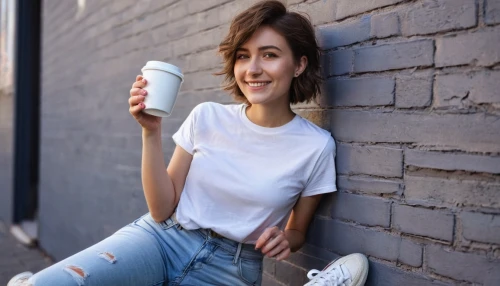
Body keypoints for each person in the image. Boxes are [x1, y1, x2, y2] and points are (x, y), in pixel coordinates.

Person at [8, 1, 369, 285]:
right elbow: (162, 208)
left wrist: (285, 240)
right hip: (160, 241)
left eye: (269, 55)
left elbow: (297, 232)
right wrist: (150, 131)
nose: (252, 69)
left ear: (299, 64)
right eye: (243, 56)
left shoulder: (316, 147)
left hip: (234, 268)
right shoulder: (207, 116)